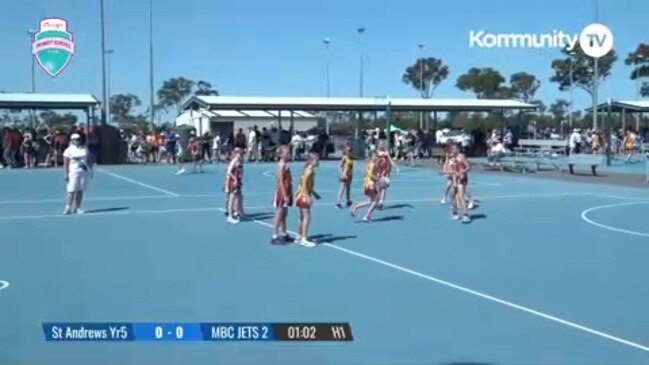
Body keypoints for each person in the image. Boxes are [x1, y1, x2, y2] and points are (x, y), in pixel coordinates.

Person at [294, 153, 321, 246]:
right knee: (307, 217)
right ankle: (304, 239)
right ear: (310, 161)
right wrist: (307, 196)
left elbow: (305, 184)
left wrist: (314, 193)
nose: (318, 162)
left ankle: (299, 236)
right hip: (303, 196)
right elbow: (304, 184)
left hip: (299, 195)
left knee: (302, 217)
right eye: (316, 160)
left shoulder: (309, 170)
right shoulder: (309, 171)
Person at [63, 133, 93, 215]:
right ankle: (68, 207)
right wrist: (66, 174)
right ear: (71, 140)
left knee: (80, 190)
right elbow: (66, 163)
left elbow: (89, 160)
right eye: (75, 139)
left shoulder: (85, 149)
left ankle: (78, 208)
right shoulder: (68, 150)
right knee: (71, 190)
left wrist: (91, 170)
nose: (77, 140)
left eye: (78, 139)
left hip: (83, 172)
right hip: (73, 172)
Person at [271, 146, 293, 244]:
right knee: (279, 213)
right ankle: (275, 235)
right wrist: (285, 195)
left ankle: (284, 233)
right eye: (287, 153)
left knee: (284, 213)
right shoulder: (281, 165)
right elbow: (280, 181)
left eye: (289, 153)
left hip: (287, 190)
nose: (289, 155)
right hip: (281, 192)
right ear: (281, 155)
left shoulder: (286, 164)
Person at [351, 152, 380, 222]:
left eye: (377, 156)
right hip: (370, 184)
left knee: (371, 201)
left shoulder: (370, 164)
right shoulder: (372, 165)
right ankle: (367, 216)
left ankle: (356, 207)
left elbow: (368, 174)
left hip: (367, 184)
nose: (376, 157)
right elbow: (370, 175)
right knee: (375, 201)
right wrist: (378, 179)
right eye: (374, 156)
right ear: (371, 157)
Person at [449, 144, 471, 223]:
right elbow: (452, 169)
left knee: (461, 197)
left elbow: (468, 167)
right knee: (452, 195)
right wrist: (451, 172)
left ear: (457, 149)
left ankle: (466, 215)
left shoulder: (461, 156)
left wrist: (462, 172)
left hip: (461, 179)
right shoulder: (452, 158)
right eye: (451, 148)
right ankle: (455, 214)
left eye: (454, 148)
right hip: (455, 179)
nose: (452, 149)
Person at [375, 143, 398, 209]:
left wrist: (395, 167)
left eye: (383, 144)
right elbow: (374, 161)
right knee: (378, 187)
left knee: (384, 187)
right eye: (381, 144)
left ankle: (381, 202)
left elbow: (390, 160)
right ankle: (378, 201)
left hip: (385, 172)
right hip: (378, 172)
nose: (382, 145)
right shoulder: (377, 152)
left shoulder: (386, 153)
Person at [224, 148, 244, 223]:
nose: (241, 155)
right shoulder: (234, 161)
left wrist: (239, 180)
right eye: (239, 153)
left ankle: (238, 211)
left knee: (239, 196)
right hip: (232, 181)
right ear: (236, 153)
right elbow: (229, 171)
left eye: (242, 154)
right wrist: (235, 179)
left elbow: (240, 172)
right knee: (232, 198)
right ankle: (230, 215)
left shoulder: (240, 161)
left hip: (237, 181)